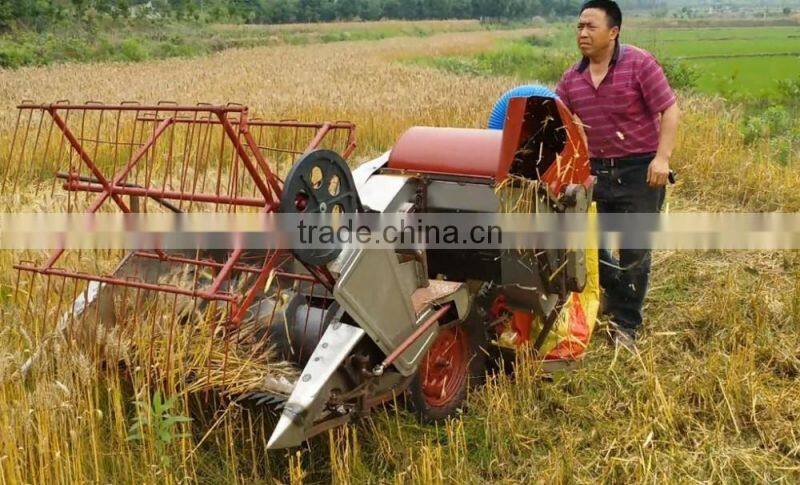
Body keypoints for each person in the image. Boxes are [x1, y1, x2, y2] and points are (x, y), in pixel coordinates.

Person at [555, 0, 680, 347]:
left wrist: (662, 158)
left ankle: (626, 323)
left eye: (590, 26)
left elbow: (669, 110)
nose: (582, 33)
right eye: (579, 26)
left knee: (634, 250)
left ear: (613, 32)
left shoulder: (639, 64)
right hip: (597, 173)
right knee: (590, 244)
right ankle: (613, 290)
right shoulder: (571, 78)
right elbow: (562, 125)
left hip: (640, 171)